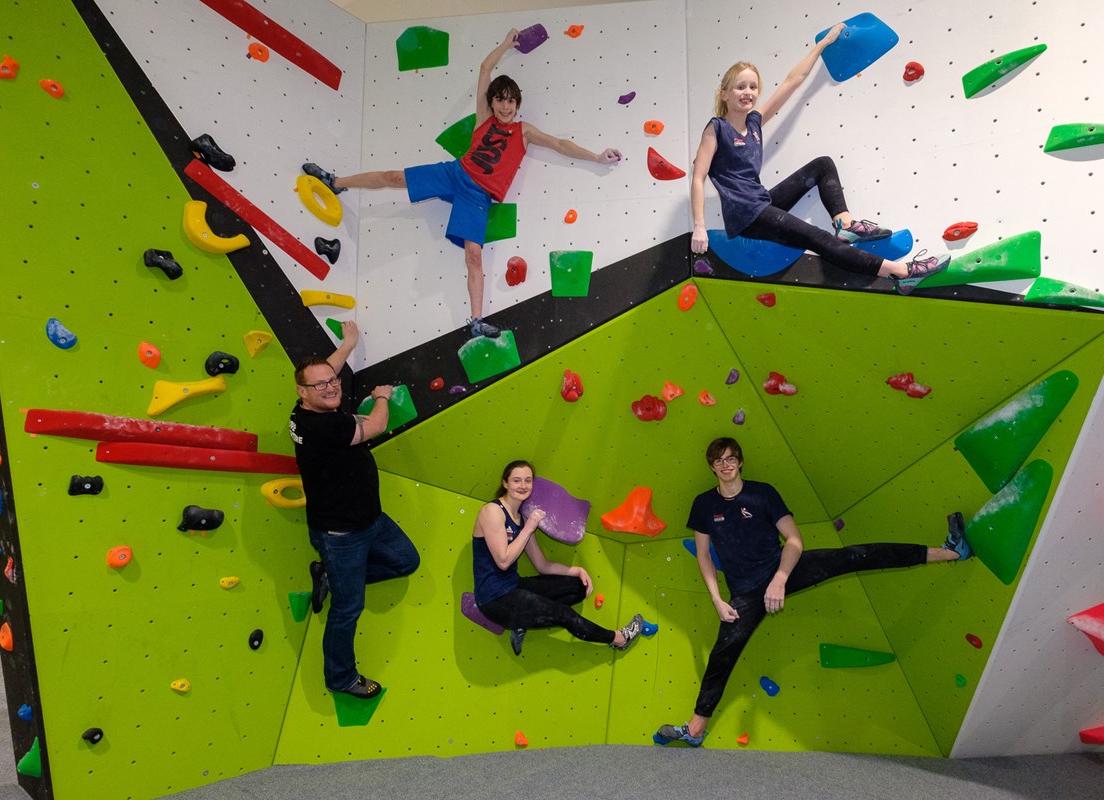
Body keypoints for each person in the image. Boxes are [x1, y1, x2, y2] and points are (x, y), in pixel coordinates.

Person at [304, 29, 622, 339]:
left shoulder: (525, 131)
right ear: (493, 102)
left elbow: (560, 144)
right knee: (393, 177)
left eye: (510, 101)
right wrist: (504, 45)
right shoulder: (484, 118)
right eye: (500, 100)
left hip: (478, 195)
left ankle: (477, 320)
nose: (505, 106)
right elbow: (485, 68)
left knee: (473, 254)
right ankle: (335, 182)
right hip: (455, 172)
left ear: (517, 104)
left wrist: (597, 156)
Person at [654, 437, 973, 747]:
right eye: (718, 460)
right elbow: (704, 556)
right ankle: (695, 730)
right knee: (724, 652)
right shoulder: (705, 505)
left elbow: (794, 540)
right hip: (745, 591)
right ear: (712, 467)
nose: (725, 465)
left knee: (851, 556)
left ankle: (949, 552)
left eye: (731, 458)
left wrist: (780, 579)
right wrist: (716, 599)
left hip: (781, 568)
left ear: (740, 462)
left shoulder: (763, 494)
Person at [690, 24, 950, 294]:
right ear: (724, 94)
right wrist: (700, 226)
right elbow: (698, 178)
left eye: (753, 87)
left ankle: (846, 224)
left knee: (823, 164)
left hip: (761, 202)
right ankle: (901, 273)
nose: (748, 92)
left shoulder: (754, 122)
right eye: (740, 87)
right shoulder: (716, 128)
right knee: (819, 237)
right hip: (746, 216)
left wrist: (824, 43)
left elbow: (792, 81)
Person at [288, 320, 420, 699]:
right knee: (348, 611)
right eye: (321, 386)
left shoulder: (312, 404)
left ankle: (330, 576)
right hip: (341, 536)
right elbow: (376, 425)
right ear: (302, 392)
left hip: (371, 520)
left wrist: (348, 344)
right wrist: (381, 396)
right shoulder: (320, 427)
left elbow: (322, 374)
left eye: (334, 381)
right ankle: (341, 678)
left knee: (405, 561)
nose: (331, 387)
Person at [473, 460, 645, 655]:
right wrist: (530, 528)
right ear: (505, 483)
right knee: (563, 614)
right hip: (493, 597)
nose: (523, 486)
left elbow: (542, 565)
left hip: (514, 586)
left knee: (578, 587)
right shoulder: (493, 511)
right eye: (516, 480)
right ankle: (619, 639)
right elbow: (503, 562)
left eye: (528, 481)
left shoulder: (521, 519)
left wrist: (577, 571)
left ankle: (522, 620)